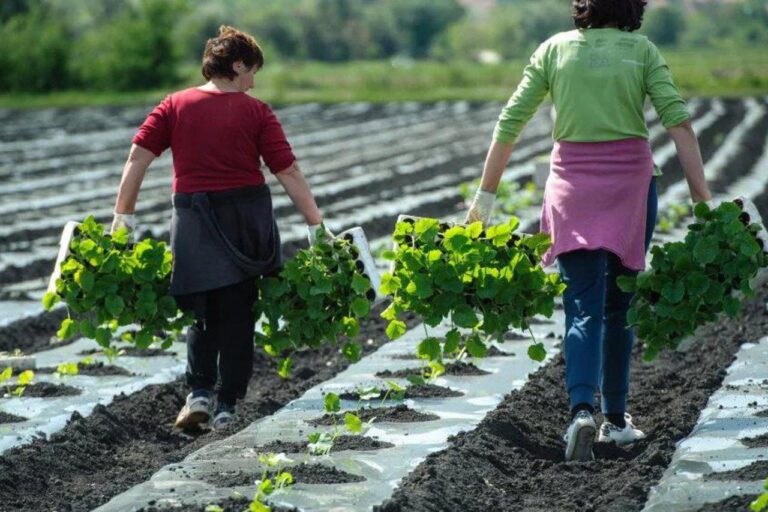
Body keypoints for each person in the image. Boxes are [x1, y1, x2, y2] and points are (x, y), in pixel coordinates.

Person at [464, 0, 712, 461]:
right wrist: (702, 203)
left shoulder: (555, 50)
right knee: (620, 304)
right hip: (631, 188)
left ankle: (581, 411)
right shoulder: (641, 51)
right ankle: (616, 421)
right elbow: (678, 122)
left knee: (581, 306)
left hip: (572, 187)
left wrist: (486, 197)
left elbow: (510, 121)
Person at [111, 26, 330, 432]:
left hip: (193, 219)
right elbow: (288, 171)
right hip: (244, 219)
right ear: (238, 64)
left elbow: (138, 157)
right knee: (238, 312)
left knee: (202, 310)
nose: (253, 82)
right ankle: (227, 404)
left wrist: (122, 217)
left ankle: (198, 394)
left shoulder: (174, 105)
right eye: (252, 72)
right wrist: (316, 224)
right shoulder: (256, 111)